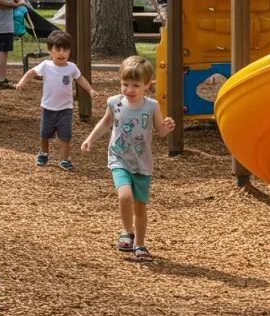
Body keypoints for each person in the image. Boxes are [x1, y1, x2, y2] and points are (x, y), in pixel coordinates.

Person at [81, 55, 176, 262]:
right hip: (119, 157)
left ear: (147, 86)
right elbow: (106, 123)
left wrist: (167, 127)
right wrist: (90, 139)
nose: (129, 90)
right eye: (125, 84)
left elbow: (159, 131)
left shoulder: (151, 106)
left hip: (142, 163)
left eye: (135, 85)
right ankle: (126, 231)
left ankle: (140, 244)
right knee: (125, 196)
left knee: (140, 206)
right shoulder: (114, 103)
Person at [16, 29, 98, 171]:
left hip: (65, 109)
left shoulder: (71, 67)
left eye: (65, 50)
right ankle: (44, 152)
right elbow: (32, 72)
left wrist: (90, 90)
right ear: (50, 51)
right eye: (58, 49)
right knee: (44, 134)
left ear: (69, 52)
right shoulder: (46, 65)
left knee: (65, 136)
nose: (61, 53)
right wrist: (23, 81)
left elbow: (80, 79)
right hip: (48, 108)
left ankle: (65, 159)